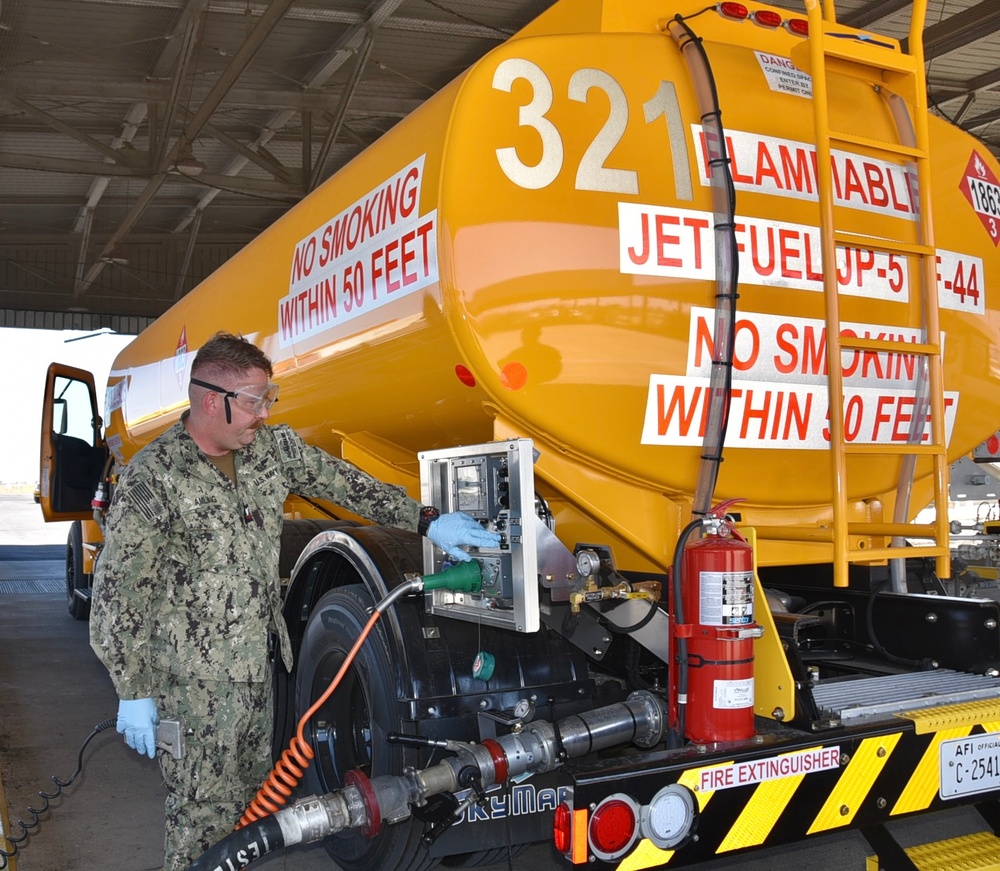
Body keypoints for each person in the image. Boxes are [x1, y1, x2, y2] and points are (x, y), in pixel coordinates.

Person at [89, 331, 498, 871]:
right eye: (255, 400)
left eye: (267, 398)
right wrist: (133, 689)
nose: (264, 412)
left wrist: (425, 520)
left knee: (251, 814)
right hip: (191, 689)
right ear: (213, 400)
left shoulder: (270, 450)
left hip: (259, 674)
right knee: (200, 818)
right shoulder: (154, 479)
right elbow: (119, 598)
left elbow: (344, 484)